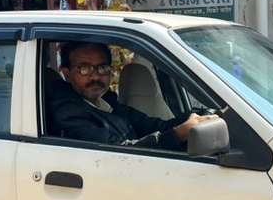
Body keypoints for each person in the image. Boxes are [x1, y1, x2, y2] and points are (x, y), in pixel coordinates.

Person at [49, 42, 209, 149]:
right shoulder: (67, 113)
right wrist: (177, 134)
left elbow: (151, 125)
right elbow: (118, 152)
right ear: (66, 73)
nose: (96, 77)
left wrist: (199, 118)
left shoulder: (107, 102)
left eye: (102, 68)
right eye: (84, 69)